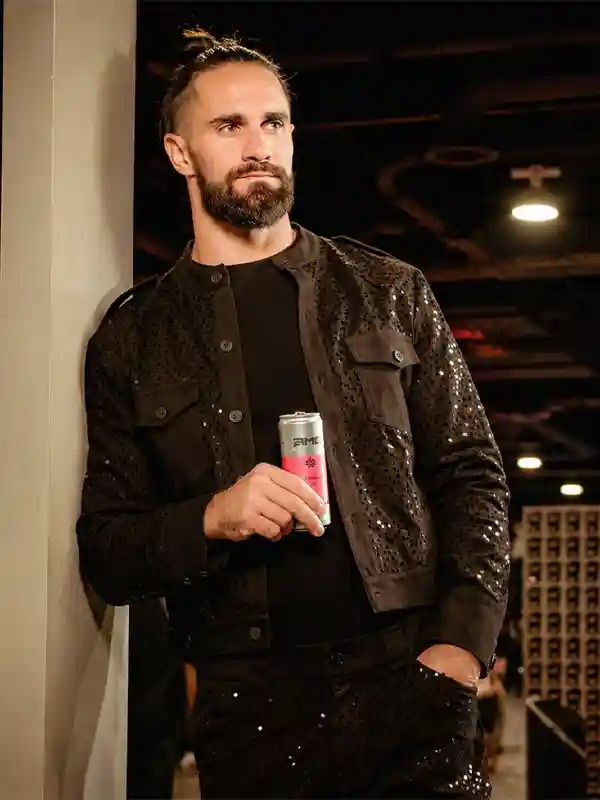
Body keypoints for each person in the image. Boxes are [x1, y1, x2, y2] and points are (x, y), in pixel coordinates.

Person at [77, 28, 511, 799]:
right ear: (180, 153)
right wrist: (211, 517)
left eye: (273, 122)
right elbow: (108, 549)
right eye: (228, 126)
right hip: (249, 709)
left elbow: (472, 473)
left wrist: (461, 649)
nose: (259, 146)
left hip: (410, 680)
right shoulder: (135, 336)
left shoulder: (387, 290)